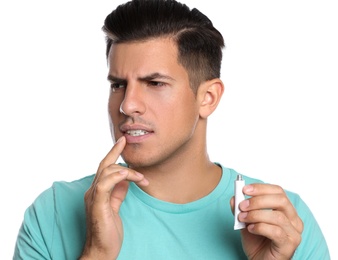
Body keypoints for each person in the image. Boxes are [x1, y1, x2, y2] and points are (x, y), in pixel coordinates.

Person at [13, 0, 330, 259]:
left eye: (154, 83)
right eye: (118, 85)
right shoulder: (53, 211)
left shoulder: (282, 220)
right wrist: (96, 254)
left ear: (207, 98)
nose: (128, 105)